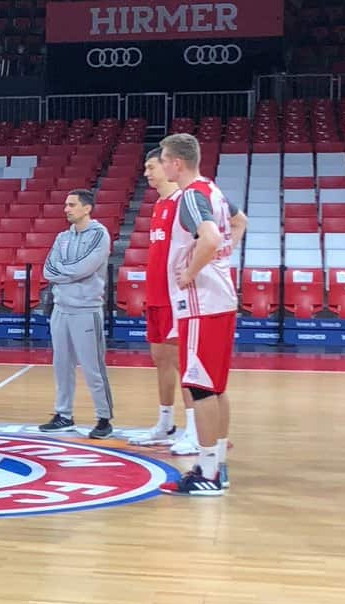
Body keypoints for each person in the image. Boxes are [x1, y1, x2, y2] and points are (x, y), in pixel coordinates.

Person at [157, 133, 247, 496]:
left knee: (200, 387)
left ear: (177, 163)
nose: (162, 166)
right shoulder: (214, 190)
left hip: (200, 304)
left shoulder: (191, 196)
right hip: (220, 300)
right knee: (216, 386)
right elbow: (240, 222)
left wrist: (191, 273)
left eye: (164, 160)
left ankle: (207, 474)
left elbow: (208, 238)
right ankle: (217, 466)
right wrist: (223, 256)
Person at [131, 148, 199, 453]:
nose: (146, 173)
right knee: (161, 359)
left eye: (151, 167)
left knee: (185, 364)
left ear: (169, 165)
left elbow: (212, 237)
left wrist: (192, 273)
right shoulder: (159, 204)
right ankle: (166, 423)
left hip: (177, 297)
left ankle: (195, 430)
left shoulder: (185, 200)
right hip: (156, 295)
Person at [38, 189, 115, 439]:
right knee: (61, 365)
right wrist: (69, 273)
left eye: (72, 205)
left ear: (87, 208)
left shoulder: (99, 234)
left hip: (86, 310)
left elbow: (86, 267)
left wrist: (64, 272)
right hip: (60, 309)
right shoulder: (62, 237)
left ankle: (104, 419)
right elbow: (48, 269)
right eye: (66, 205)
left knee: (93, 368)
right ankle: (64, 415)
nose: (66, 209)